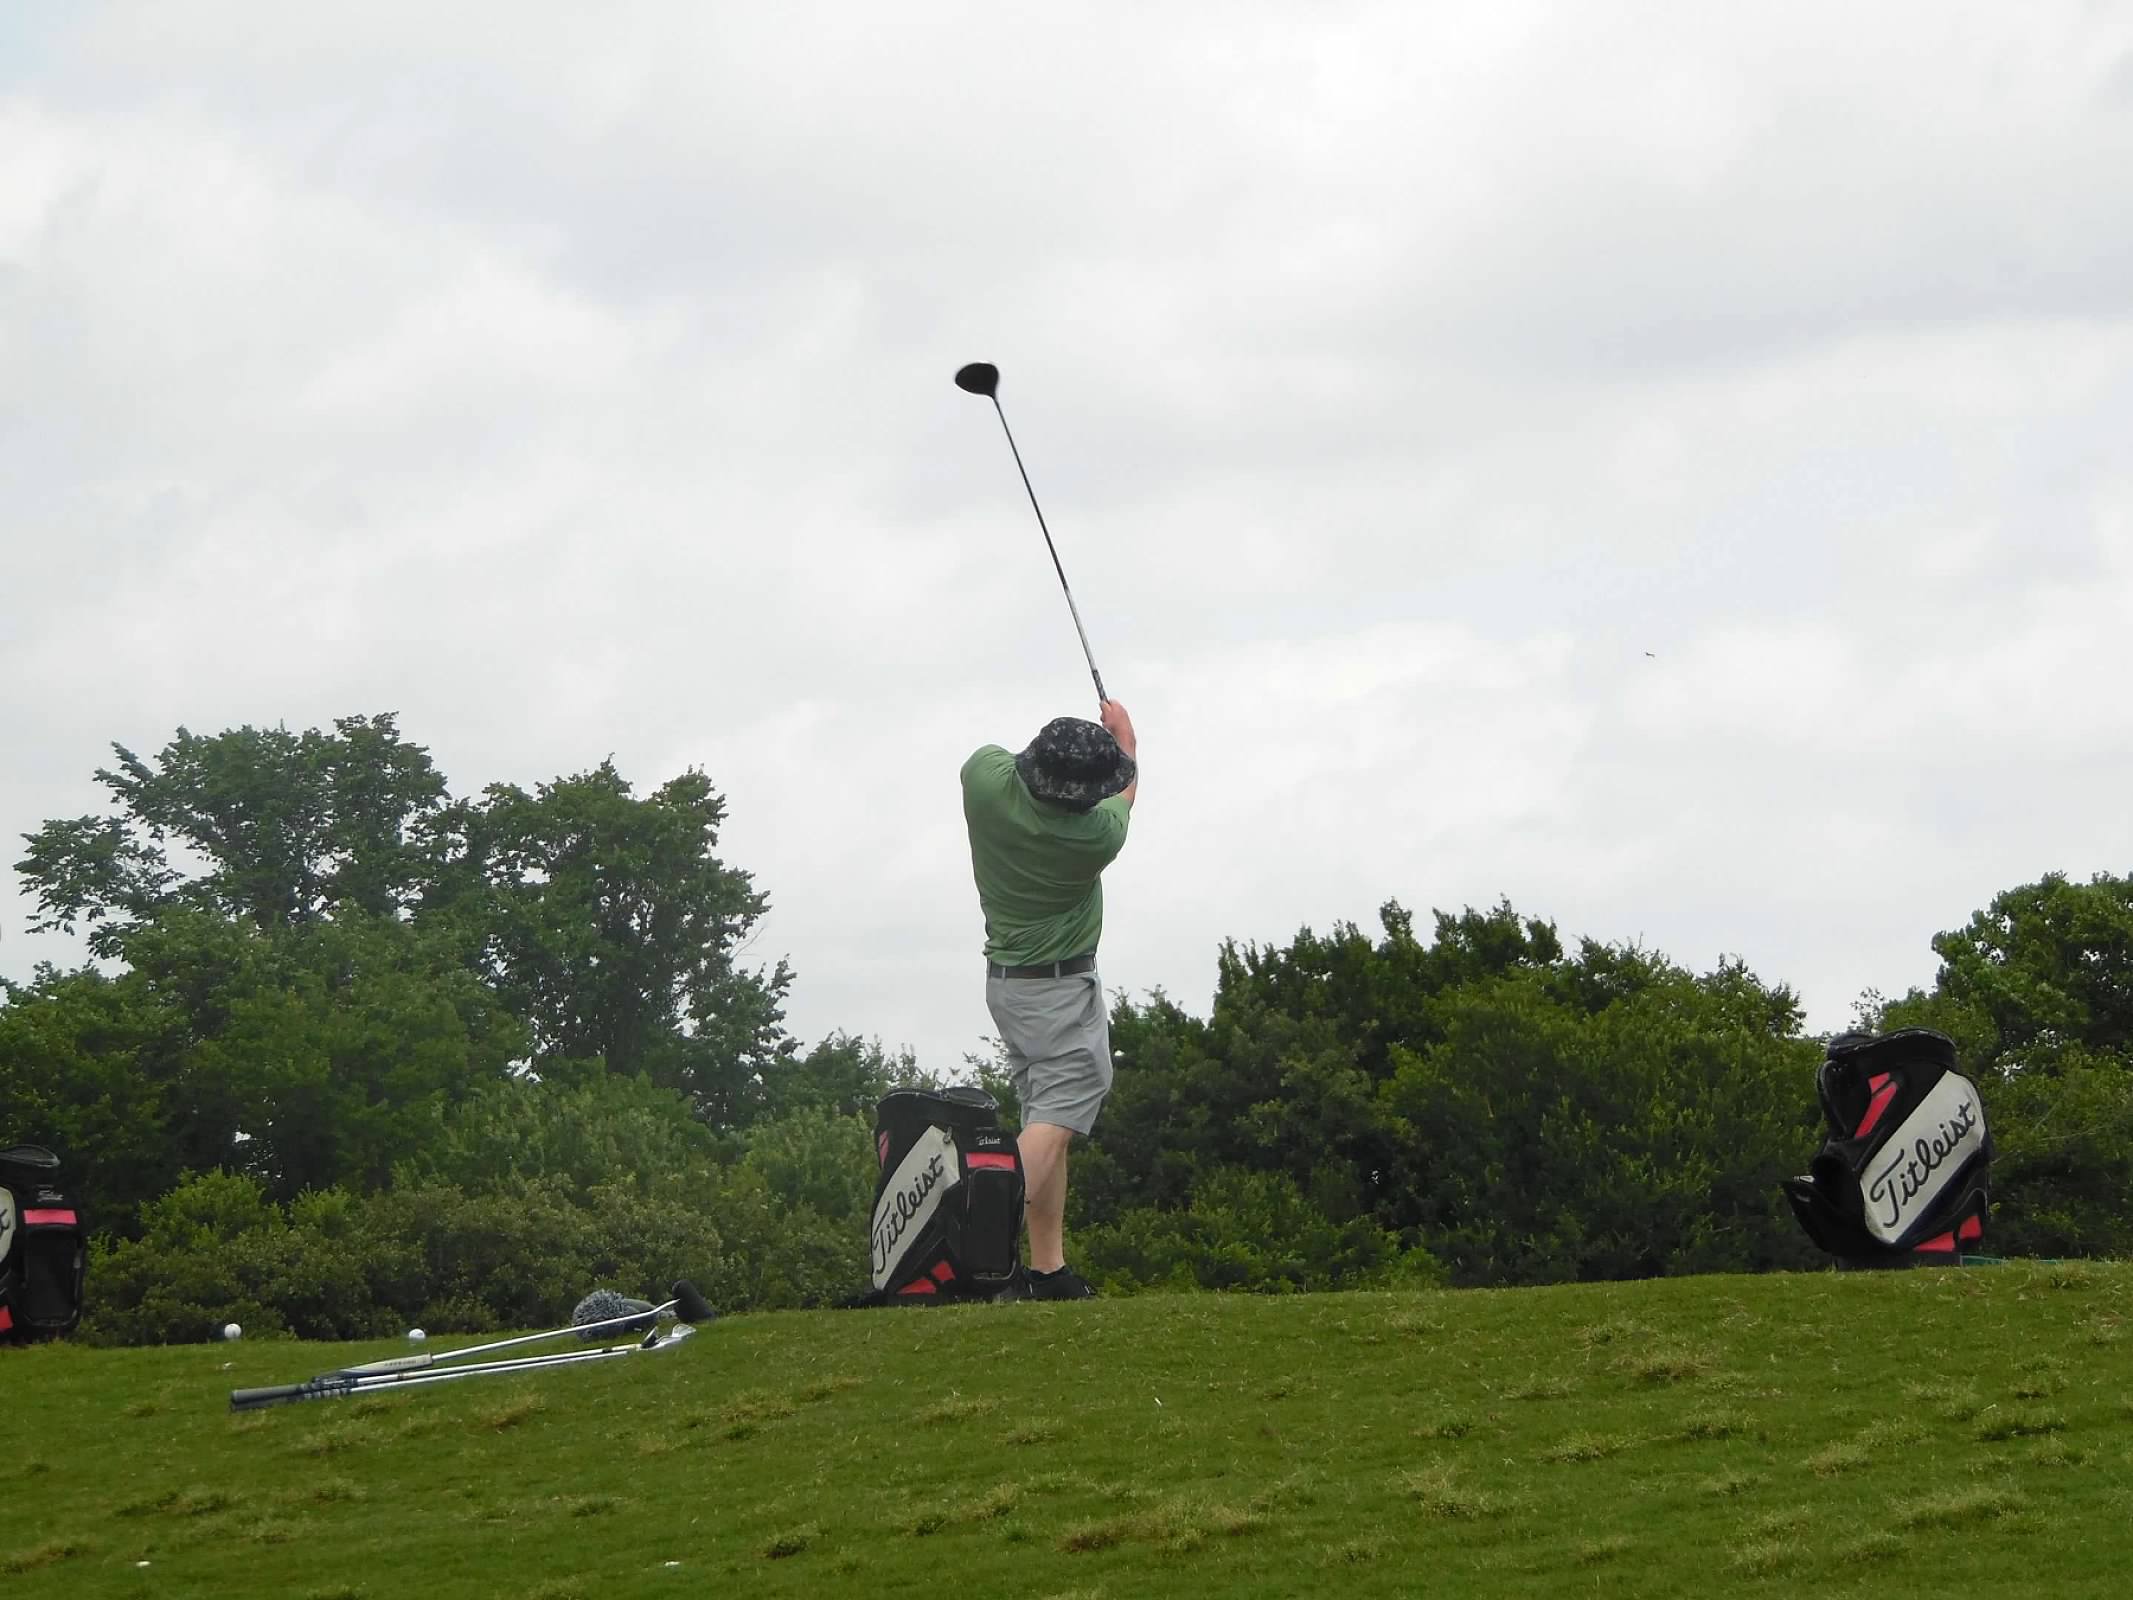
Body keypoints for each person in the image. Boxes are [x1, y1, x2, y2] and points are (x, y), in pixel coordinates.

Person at [960, 699, 1138, 1301]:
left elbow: (997, 757)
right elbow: (1125, 792)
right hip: (1058, 990)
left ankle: (1047, 1268)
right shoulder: (1096, 836)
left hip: (1010, 986)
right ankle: (969, 1253)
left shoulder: (984, 783)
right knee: (1057, 1120)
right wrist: (1127, 742)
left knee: (1046, 1122)